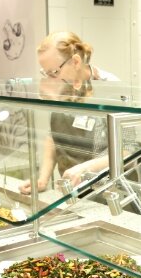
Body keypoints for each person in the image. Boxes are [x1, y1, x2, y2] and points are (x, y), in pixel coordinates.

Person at [19, 32, 121, 195]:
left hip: (106, 193)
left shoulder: (111, 89)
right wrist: (43, 179)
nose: (51, 80)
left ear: (75, 61)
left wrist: (86, 168)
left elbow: (127, 150)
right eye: (45, 73)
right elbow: (53, 135)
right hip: (71, 192)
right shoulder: (64, 86)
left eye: (54, 72)